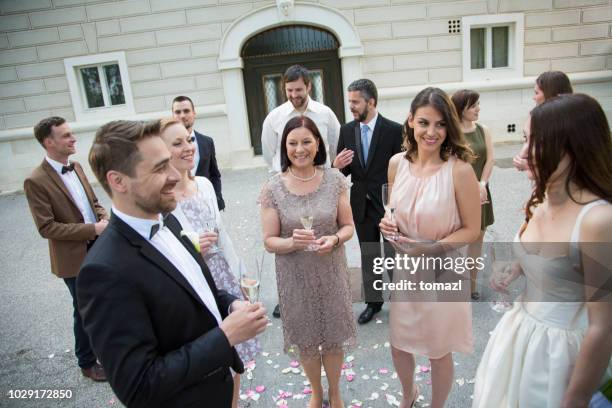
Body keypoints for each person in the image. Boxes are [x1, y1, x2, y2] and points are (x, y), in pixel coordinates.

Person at [77, 120, 267, 408]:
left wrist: (230, 305)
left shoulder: (170, 220)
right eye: (158, 168)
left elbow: (198, 291)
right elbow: (139, 386)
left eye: (169, 163)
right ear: (118, 181)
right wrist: (226, 335)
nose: (175, 176)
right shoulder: (103, 270)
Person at [473, 93, 612, 408]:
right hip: (520, 336)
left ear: (574, 147)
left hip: (561, 355)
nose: (524, 153)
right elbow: (550, 256)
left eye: (537, 142)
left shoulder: (598, 220)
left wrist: (574, 399)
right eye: (525, 139)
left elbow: (604, 326)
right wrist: (515, 267)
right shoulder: (543, 195)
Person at [380, 87, 480, 408]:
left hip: (444, 270)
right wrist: (387, 224)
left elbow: (472, 229)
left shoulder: (460, 171)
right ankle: (409, 394)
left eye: (440, 124)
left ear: (449, 127)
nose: (431, 132)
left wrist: (432, 248)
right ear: (410, 121)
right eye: (424, 122)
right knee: (399, 345)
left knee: (439, 351)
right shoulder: (397, 164)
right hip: (406, 270)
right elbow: (393, 210)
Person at [159, 118, 260, 408]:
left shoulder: (203, 184)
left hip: (222, 279)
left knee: (234, 353)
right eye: (176, 143)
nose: (188, 147)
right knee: (210, 355)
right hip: (193, 282)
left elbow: (222, 235)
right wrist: (192, 251)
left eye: (188, 140)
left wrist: (240, 275)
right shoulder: (163, 198)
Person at [260, 115, 356, 408]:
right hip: (294, 274)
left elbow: (348, 226)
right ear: (283, 147)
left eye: (306, 141)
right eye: (292, 143)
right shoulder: (272, 188)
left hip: (331, 270)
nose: (299, 149)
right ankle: (316, 392)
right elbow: (269, 240)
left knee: (333, 336)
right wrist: (292, 242)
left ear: (318, 144)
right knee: (306, 338)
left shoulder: (335, 180)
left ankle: (336, 392)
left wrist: (335, 240)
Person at [23, 116, 108, 382]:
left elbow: (92, 202)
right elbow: (47, 228)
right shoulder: (35, 180)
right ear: (49, 142)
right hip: (73, 257)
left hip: (99, 245)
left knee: (105, 300)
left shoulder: (77, 166)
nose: (73, 139)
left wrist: (103, 217)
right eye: (66, 135)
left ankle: (107, 349)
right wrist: (91, 230)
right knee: (84, 307)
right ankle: (86, 361)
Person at [261, 64, 341, 318]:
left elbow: (334, 145)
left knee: (322, 238)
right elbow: (269, 151)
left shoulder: (326, 114)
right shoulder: (274, 117)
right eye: (289, 90)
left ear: (308, 86)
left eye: (299, 89)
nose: (294, 95)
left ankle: (328, 292)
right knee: (288, 240)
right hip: (286, 186)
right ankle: (290, 296)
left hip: (321, 183)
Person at [333, 78, 403, 324]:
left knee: (394, 254)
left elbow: (404, 170)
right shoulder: (346, 131)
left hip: (390, 205)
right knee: (368, 255)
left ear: (371, 101)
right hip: (360, 204)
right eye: (349, 101)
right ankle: (373, 303)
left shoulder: (395, 130)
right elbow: (342, 174)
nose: (351, 106)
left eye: (355, 102)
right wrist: (336, 166)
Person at [451, 89, 495, 300]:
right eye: (473, 105)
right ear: (461, 108)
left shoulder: (483, 129)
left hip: (481, 192)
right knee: (456, 241)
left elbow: (490, 160)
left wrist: (482, 183)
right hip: (457, 194)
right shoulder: (451, 133)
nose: (478, 109)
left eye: (478, 104)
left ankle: (472, 285)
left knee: (477, 239)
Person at [172, 95, 225, 210]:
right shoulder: (166, 145)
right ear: (173, 115)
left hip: (205, 203)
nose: (182, 115)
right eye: (177, 112)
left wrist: (216, 198)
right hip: (177, 205)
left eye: (186, 111)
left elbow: (215, 174)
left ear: (194, 113)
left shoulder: (207, 142)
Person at [513, 71, 573, 173]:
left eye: (537, 93)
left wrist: (530, 166)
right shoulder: (536, 116)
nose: (534, 97)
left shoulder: (570, 123)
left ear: (550, 93)